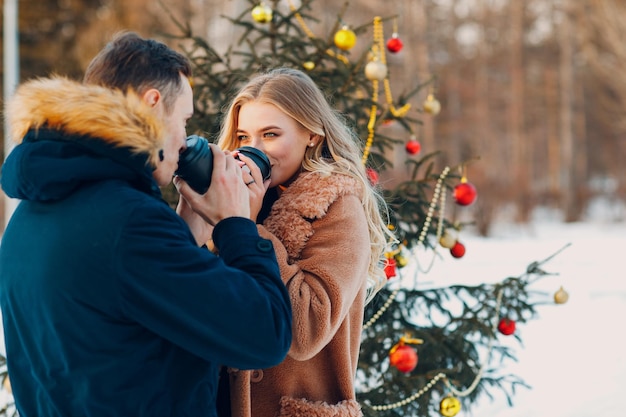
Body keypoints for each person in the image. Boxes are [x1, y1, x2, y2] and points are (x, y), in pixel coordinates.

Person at [0, 31, 292, 416]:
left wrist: (185, 234)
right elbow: (265, 334)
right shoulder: (129, 224)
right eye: (184, 120)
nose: (185, 142)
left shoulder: (31, 212)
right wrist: (236, 223)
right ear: (152, 103)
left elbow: (121, 332)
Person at [216, 67, 395, 417]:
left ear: (311, 134)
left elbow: (307, 329)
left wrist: (248, 228)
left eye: (270, 134)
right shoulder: (229, 204)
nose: (254, 150)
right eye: (242, 136)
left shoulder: (336, 207)